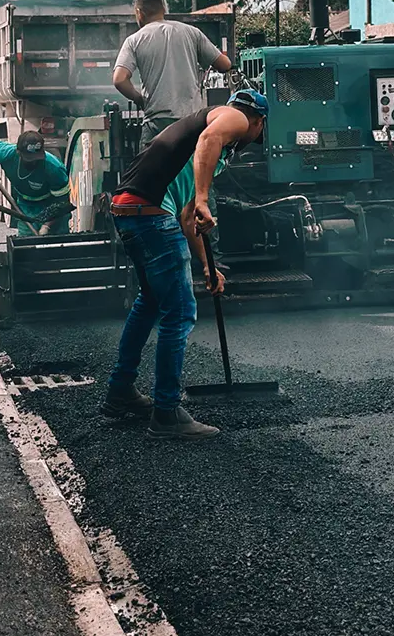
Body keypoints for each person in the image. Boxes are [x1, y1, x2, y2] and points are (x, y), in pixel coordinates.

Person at [98, 89, 269, 440]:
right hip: (149, 214)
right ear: (258, 121)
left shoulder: (204, 145)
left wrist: (207, 265)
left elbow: (188, 216)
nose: (252, 140)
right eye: (258, 133)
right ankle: (166, 413)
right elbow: (209, 141)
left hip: (130, 211)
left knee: (150, 301)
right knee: (179, 312)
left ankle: (121, 390)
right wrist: (205, 198)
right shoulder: (234, 118)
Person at [113, 0, 233, 268]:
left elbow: (119, 79)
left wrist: (140, 98)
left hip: (157, 126)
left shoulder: (135, 39)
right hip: (193, 125)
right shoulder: (191, 33)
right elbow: (225, 64)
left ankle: (160, 253)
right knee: (199, 190)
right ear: (164, 9)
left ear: (139, 13)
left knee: (152, 191)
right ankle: (211, 259)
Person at [0, 131, 71, 236]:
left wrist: (47, 226)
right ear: (18, 152)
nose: (33, 162)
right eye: (29, 159)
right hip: (26, 205)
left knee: (57, 241)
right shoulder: (5, 154)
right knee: (27, 241)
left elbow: (62, 203)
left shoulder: (54, 168)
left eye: (36, 158)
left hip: (51, 204)